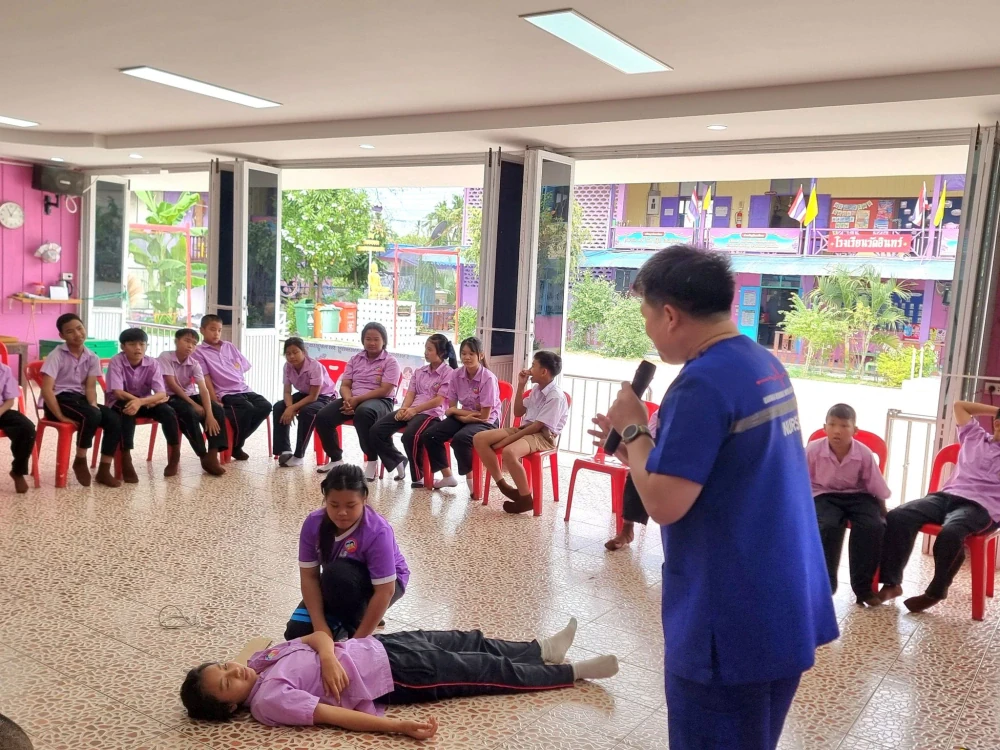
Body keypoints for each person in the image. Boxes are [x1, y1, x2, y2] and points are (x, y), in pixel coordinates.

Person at [592, 245, 837, 750]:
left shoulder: (701, 384)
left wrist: (633, 427)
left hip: (729, 614)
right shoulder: (761, 362)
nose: (647, 330)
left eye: (646, 316)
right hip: (779, 601)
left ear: (670, 315)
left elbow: (664, 504)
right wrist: (634, 450)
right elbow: (717, 470)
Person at [179, 623, 618, 736]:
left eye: (224, 666)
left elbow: (315, 636)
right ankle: (572, 673)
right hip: (396, 677)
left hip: (380, 646)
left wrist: (328, 655)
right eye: (227, 684)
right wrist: (395, 727)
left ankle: (541, 649)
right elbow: (331, 715)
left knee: (466, 640)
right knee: (482, 672)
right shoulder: (268, 700)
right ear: (231, 706)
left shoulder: (261, 660)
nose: (235, 672)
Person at [878, 400, 1000, 613]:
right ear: (997, 424)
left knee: (951, 533)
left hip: (983, 508)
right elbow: (959, 406)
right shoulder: (974, 436)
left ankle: (936, 592)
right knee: (898, 516)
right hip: (948, 496)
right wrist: (997, 411)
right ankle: (892, 583)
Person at [284, 464, 409, 642]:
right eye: (334, 505)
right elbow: (309, 577)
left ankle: (359, 618)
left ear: (364, 498)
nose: (342, 512)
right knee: (297, 633)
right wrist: (320, 628)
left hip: (383, 585)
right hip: (337, 585)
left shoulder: (377, 530)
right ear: (325, 498)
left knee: (338, 575)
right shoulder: (313, 524)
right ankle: (357, 614)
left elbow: (385, 591)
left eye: (351, 505)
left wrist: (357, 642)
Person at [807, 403, 890, 607]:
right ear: (824, 427)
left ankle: (863, 589)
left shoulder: (863, 453)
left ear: (855, 430)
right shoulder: (812, 450)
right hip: (823, 494)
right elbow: (799, 479)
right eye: (832, 424)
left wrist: (882, 510)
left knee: (873, 526)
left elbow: (875, 484)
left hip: (858, 495)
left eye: (844, 426)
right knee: (828, 525)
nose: (837, 430)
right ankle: (826, 586)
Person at [472, 350, 568, 515]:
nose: (529, 369)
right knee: (479, 438)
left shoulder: (555, 396)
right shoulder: (536, 389)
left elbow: (537, 427)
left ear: (544, 372)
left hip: (543, 436)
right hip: (525, 429)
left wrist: (507, 441)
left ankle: (525, 498)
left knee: (509, 452)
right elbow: (517, 412)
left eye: (533, 365)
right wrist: (521, 385)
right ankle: (504, 486)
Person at [39, 313, 122, 488]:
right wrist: (60, 416)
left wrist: (94, 405)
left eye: (79, 328)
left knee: (114, 418)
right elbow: (46, 389)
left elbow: (90, 388)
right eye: (70, 332)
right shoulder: (57, 355)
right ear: (62, 336)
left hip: (79, 400)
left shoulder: (92, 357)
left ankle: (104, 469)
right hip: (57, 400)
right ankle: (80, 459)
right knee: (91, 415)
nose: (77, 334)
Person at [368, 334, 456, 488]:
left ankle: (418, 477)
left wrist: (414, 410)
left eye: (430, 349)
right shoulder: (420, 371)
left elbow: (439, 400)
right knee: (376, 430)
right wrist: (404, 409)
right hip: (412, 410)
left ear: (441, 353)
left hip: (431, 414)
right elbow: (410, 393)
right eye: (425, 349)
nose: (426, 352)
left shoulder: (449, 373)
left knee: (410, 436)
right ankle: (398, 459)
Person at [314, 323, 401, 480]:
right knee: (323, 416)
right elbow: (345, 385)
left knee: (363, 414)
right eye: (368, 339)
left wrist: (356, 400)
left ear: (384, 341)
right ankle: (336, 458)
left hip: (381, 401)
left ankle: (372, 461)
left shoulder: (390, 362)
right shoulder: (355, 359)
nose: (372, 343)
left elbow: (385, 390)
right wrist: (348, 400)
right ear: (362, 340)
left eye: (376, 339)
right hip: (353, 399)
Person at [422, 336, 502, 493]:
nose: (467, 357)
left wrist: (456, 413)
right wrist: (461, 416)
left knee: (461, 439)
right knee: (430, 435)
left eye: (471, 354)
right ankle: (447, 477)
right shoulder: (456, 374)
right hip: (464, 417)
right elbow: (451, 407)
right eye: (464, 353)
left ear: (480, 355)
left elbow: (484, 415)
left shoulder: (488, 378)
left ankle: (472, 483)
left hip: (487, 422)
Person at [105, 328, 182, 481]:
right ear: (123, 347)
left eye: (142, 344)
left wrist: (142, 402)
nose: (138, 348)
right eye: (132, 344)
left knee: (168, 411)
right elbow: (118, 392)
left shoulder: (152, 363)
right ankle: (126, 458)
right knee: (127, 410)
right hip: (120, 402)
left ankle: (175, 454)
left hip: (144, 402)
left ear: (147, 346)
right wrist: (140, 401)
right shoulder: (116, 361)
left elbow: (161, 393)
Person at [193, 314, 271, 460]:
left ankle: (234, 444)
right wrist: (213, 399)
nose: (216, 333)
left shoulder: (229, 346)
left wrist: (233, 369)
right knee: (246, 409)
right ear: (202, 330)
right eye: (212, 329)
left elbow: (242, 366)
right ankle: (237, 446)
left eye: (219, 330)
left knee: (265, 406)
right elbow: (205, 378)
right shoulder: (198, 351)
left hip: (243, 389)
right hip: (225, 393)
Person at [158, 328, 227, 477]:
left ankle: (212, 455)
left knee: (218, 410)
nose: (190, 346)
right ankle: (202, 455)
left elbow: (203, 389)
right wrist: (194, 404)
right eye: (187, 341)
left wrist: (209, 415)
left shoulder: (194, 363)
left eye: (194, 343)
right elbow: (172, 385)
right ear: (176, 341)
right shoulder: (165, 357)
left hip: (190, 394)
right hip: (170, 397)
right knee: (188, 412)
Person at [273, 337, 336, 468]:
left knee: (307, 412)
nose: (292, 356)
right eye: (288, 353)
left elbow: (313, 396)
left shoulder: (314, 366)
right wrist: (289, 407)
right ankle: (284, 450)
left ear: (304, 351)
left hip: (324, 396)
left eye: (295, 352)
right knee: (279, 407)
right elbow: (287, 392)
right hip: (304, 394)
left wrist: (292, 408)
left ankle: (299, 456)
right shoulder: (287, 367)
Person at [604, 408, 657, 551]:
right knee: (636, 470)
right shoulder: (661, 413)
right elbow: (649, 448)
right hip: (660, 458)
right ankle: (627, 530)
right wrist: (626, 448)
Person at [0, 359, 35, 493]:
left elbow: (9, 401)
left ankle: (18, 471)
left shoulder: (4, 370)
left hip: (1, 411)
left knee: (27, 428)